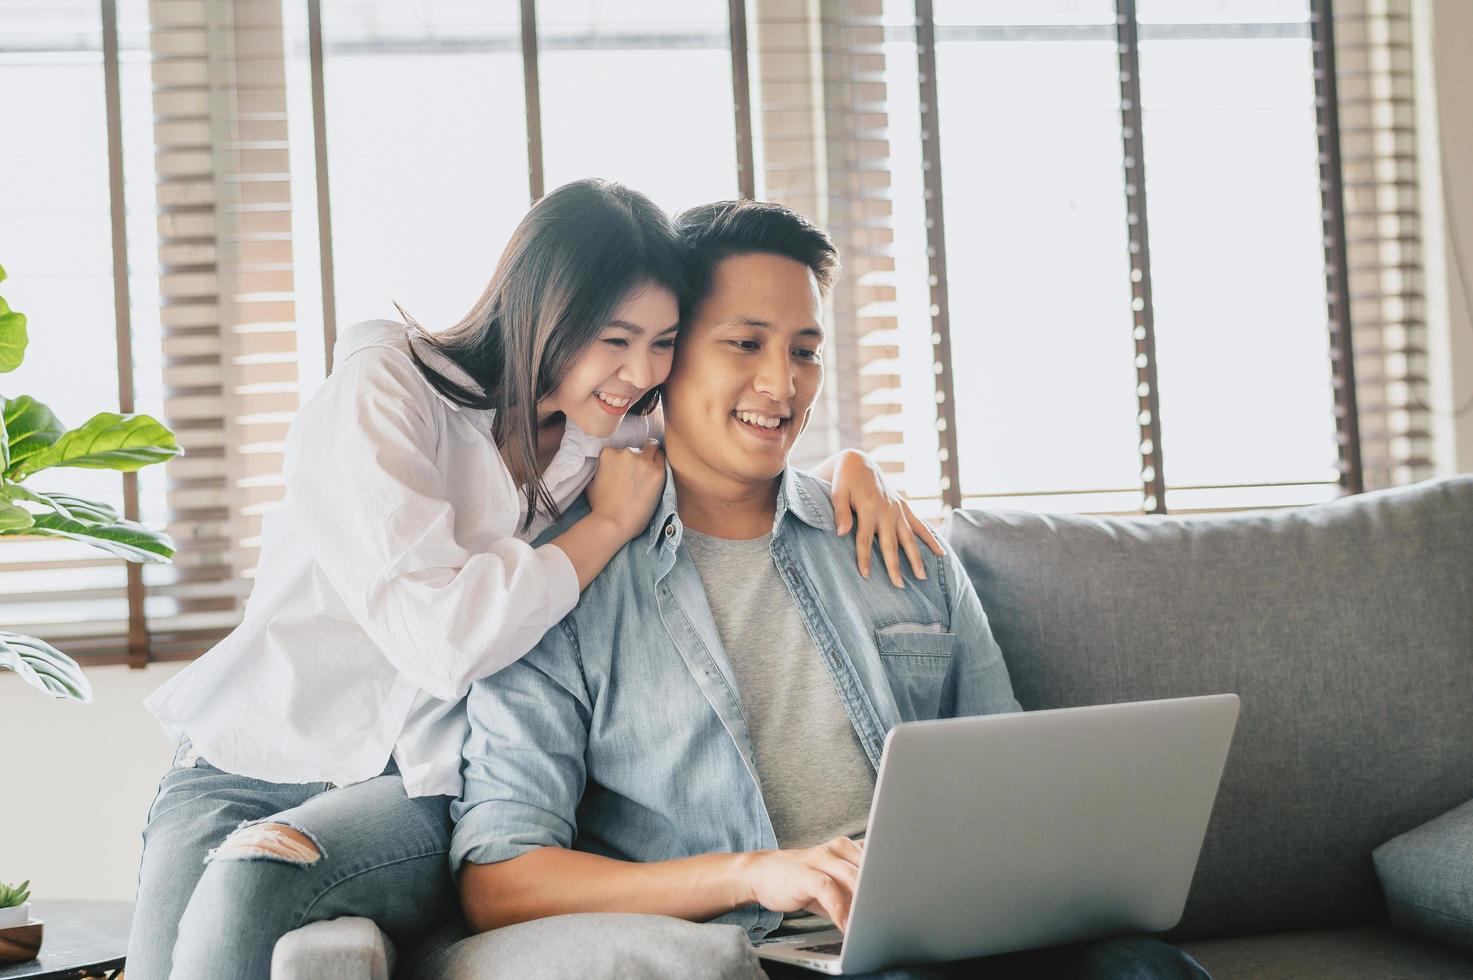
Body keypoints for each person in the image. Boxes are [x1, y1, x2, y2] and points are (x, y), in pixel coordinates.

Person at [126, 180, 933, 980]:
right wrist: (605, 527)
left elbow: (736, 432)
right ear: (542, 312)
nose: (639, 371)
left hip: (411, 781)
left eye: (660, 342)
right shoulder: (387, 393)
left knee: (248, 893)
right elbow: (442, 641)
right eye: (614, 338)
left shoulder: (605, 419)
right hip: (252, 754)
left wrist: (852, 471)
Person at [450, 199, 1211, 979]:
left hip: (965, 932)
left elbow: (1009, 782)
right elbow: (499, 880)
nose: (781, 384)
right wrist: (752, 872)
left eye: (804, 351)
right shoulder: (565, 584)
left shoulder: (894, 547)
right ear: (665, 358)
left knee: (1150, 970)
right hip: (775, 949)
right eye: (745, 343)